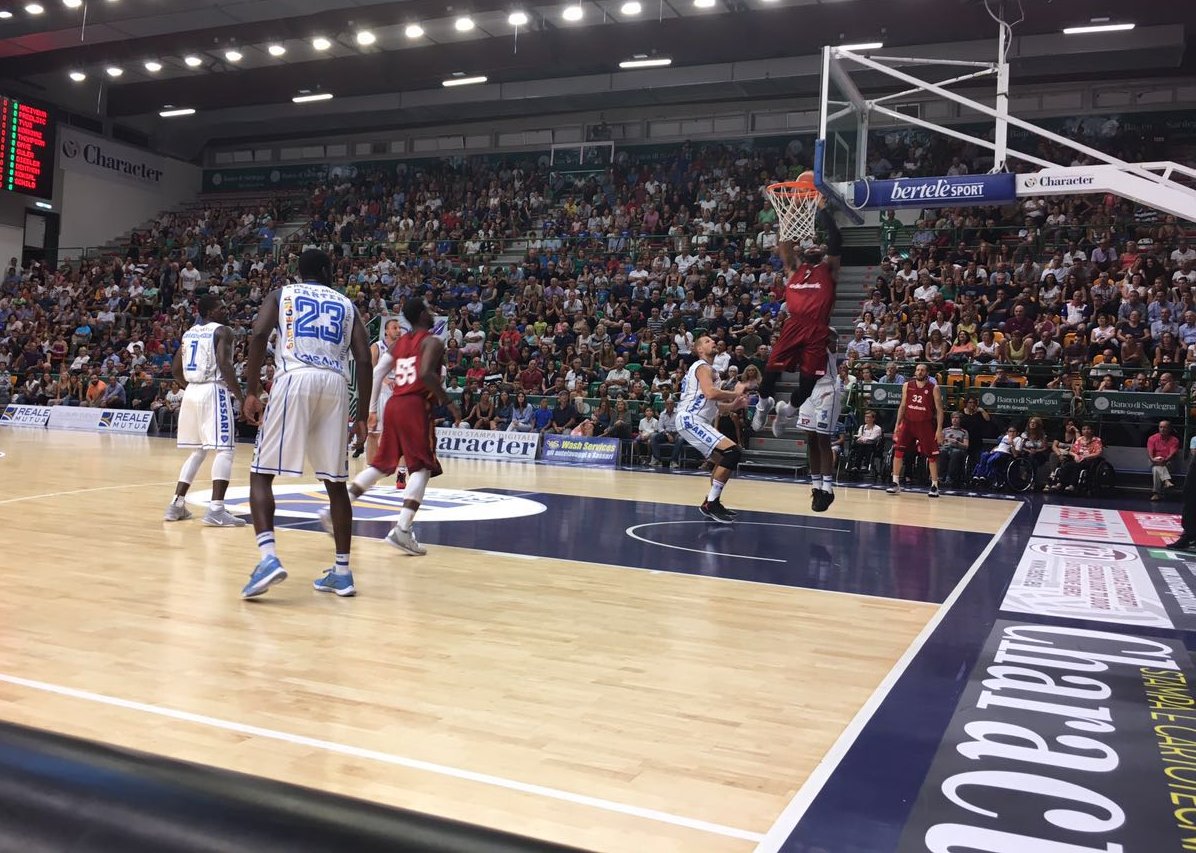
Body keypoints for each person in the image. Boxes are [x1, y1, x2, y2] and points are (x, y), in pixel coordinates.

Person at [239, 249, 373, 599]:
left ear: (300, 272)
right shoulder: (347, 305)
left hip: (295, 377)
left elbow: (258, 335)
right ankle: (342, 572)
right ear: (327, 270)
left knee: (261, 473)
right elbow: (363, 358)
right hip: (335, 385)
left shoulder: (281, 294)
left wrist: (251, 391)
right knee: (336, 483)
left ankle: (268, 558)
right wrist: (361, 415)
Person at [323, 299, 456, 556]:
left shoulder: (399, 344)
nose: (432, 314)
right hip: (416, 405)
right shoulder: (432, 341)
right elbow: (426, 374)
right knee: (422, 467)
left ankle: (332, 511)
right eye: (428, 310)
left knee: (381, 465)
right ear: (421, 315)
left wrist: (371, 409)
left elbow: (378, 372)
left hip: (394, 404)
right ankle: (402, 529)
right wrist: (448, 402)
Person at [752, 195, 842, 436]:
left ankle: (787, 411)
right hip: (793, 325)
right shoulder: (793, 268)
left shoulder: (829, 270)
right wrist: (792, 209)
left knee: (808, 384)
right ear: (800, 250)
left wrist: (822, 208)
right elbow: (784, 240)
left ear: (822, 252)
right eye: (807, 242)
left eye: (817, 243)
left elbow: (836, 238)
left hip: (817, 328)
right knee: (770, 373)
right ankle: (763, 405)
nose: (813, 244)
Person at [163, 294, 245, 527]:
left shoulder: (189, 333)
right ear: (209, 312)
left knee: (198, 451)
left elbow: (175, 369)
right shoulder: (223, 331)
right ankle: (216, 509)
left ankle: (176, 505)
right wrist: (241, 397)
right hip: (212, 390)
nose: (226, 310)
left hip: (191, 391)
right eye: (221, 308)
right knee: (225, 449)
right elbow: (225, 364)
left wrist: (191, 387)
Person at [677, 334, 752, 522]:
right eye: (707, 341)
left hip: (697, 420)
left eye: (713, 340)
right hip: (691, 419)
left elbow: (715, 406)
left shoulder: (711, 371)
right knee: (732, 452)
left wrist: (733, 405)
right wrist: (734, 393)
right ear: (699, 349)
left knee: (723, 459)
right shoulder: (702, 366)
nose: (713, 342)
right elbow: (711, 393)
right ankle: (711, 503)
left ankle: (712, 501)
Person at [795, 329, 842, 512]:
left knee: (823, 439)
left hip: (826, 390)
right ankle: (816, 487)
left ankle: (827, 488)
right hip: (808, 390)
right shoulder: (801, 344)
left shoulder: (827, 341)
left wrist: (816, 325)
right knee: (811, 439)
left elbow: (834, 337)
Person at [887, 362, 945, 497]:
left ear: (927, 373)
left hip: (925, 424)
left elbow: (939, 410)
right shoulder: (907, 385)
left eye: (922, 370)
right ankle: (895, 482)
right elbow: (902, 406)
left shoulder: (934, 388)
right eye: (918, 370)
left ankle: (934, 485)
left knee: (932, 455)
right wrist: (897, 424)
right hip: (908, 423)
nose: (919, 372)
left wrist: (939, 429)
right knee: (898, 450)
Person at [365, 317, 408, 488]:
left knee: (402, 435)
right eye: (394, 327)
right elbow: (370, 371)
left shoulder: (406, 347)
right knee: (373, 434)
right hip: (380, 393)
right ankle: (371, 472)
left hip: (399, 394)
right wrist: (384, 380)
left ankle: (401, 474)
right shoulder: (377, 347)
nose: (398, 330)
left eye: (399, 328)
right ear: (386, 331)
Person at [1147, 419, 1181, 501]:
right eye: (1161, 427)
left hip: (1168, 462)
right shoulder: (1152, 438)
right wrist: (1153, 459)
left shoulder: (1174, 440)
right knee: (1156, 466)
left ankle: (1156, 494)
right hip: (1154, 461)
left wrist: (1165, 460)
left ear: (1169, 429)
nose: (1162, 429)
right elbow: (1150, 451)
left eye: (1165, 427)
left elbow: (1172, 454)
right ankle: (1166, 481)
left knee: (1156, 469)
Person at [939, 411, 970, 488]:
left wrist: (957, 442)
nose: (954, 419)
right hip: (946, 447)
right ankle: (941, 476)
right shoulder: (945, 430)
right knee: (943, 452)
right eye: (953, 418)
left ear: (960, 420)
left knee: (955, 454)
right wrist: (944, 440)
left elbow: (966, 446)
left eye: (956, 418)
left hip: (957, 448)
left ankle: (950, 477)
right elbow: (940, 442)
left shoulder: (964, 432)